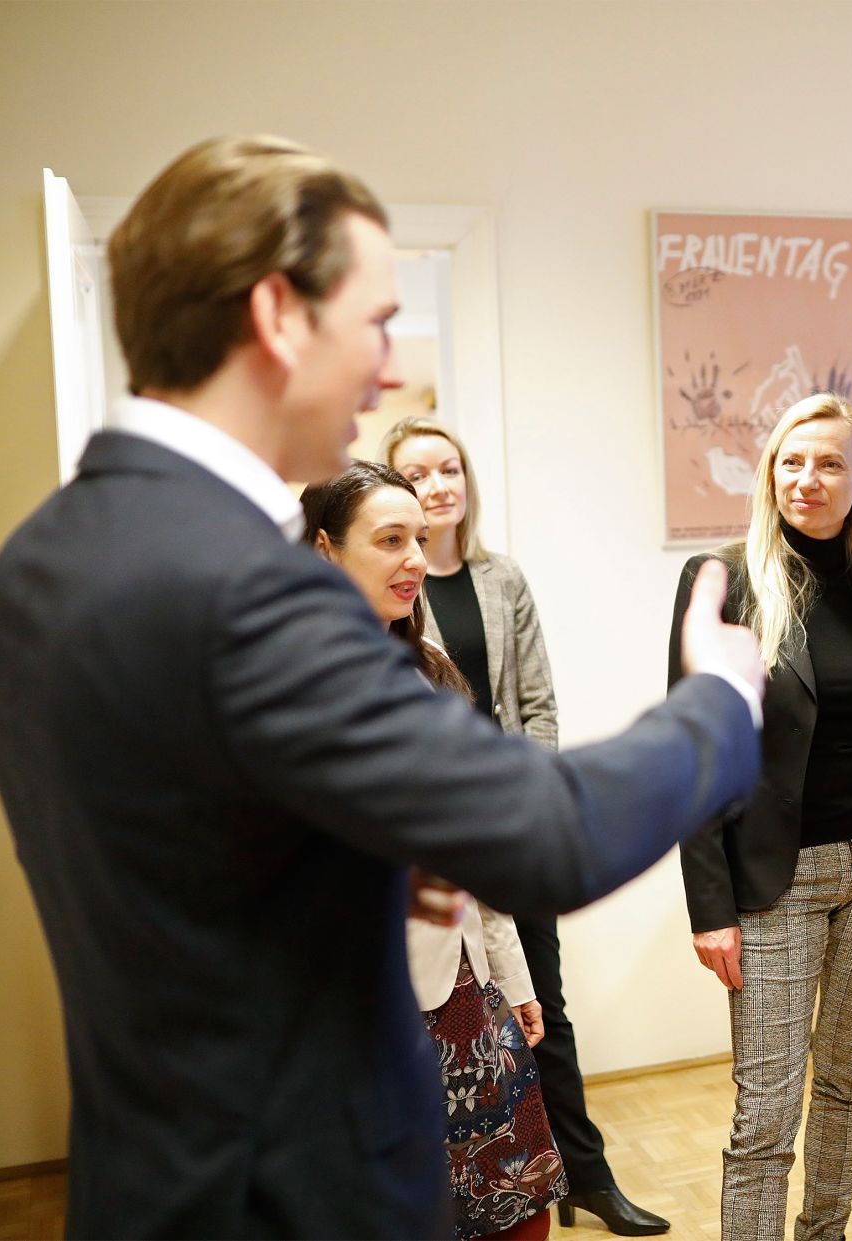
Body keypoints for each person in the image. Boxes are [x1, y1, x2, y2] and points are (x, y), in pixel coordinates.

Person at [0, 135, 763, 1238]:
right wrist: (719, 701)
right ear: (276, 315)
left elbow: (180, 845)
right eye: (375, 321)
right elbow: (549, 831)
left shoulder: (38, 558)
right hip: (298, 1199)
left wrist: (343, 860)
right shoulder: (245, 587)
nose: (387, 365)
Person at [667, 392, 852, 1241]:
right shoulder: (722, 581)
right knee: (765, 1107)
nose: (809, 478)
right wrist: (710, 907)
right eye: (792, 461)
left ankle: (825, 1232)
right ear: (770, 474)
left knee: (846, 1081)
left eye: (830, 462)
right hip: (773, 881)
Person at [385, 415, 669, 1236]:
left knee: (541, 1002)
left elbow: (536, 702)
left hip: (513, 822)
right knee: (469, 1020)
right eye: (419, 473)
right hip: (440, 838)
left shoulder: (501, 578)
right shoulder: (394, 593)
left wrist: (527, 793)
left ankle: (586, 1177)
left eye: (450, 469)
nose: (440, 485)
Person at [302, 461, 569, 1241]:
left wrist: (509, 977)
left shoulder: (431, 673)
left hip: (466, 992)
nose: (416, 557)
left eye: (418, 538)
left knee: (522, 1214)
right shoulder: (289, 684)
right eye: (390, 540)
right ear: (324, 550)